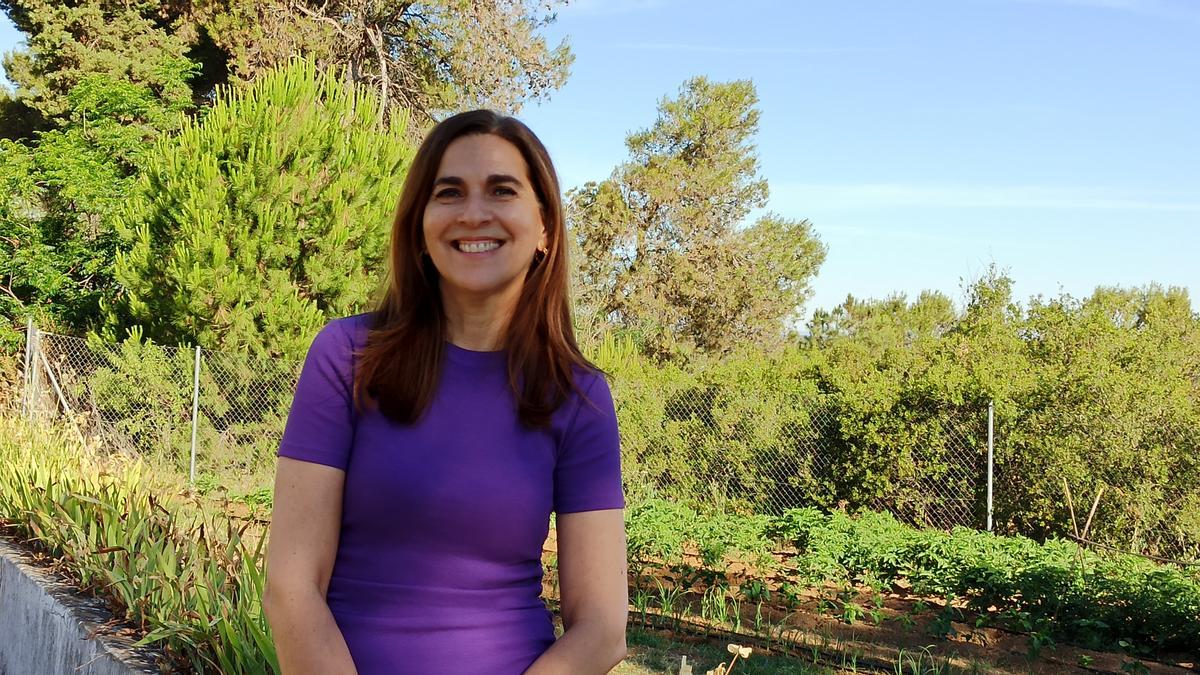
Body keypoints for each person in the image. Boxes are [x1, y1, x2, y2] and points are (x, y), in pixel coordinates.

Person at [262, 110, 629, 674]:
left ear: (545, 228)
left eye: (502, 190)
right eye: (449, 192)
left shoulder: (576, 395)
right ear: (420, 225)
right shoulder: (347, 356)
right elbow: (291, 585)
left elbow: (602, 628)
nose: (474, 213)